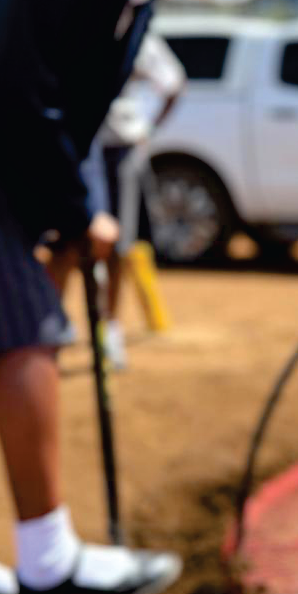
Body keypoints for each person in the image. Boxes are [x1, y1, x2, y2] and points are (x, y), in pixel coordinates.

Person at [0, 0, 269, 594]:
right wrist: (74, 209)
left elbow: (80, 106)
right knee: (25, 334)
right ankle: (47, 559)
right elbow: (13, 73)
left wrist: (82, 207)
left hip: (3, 157)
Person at [47, 33, 187, 369]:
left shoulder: (140, 35)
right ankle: (53, 322)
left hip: (120, 147)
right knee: (65, 242)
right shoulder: (68, 21)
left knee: (117, 245)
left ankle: (109, 328)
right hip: (75, 145)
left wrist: (147, 129)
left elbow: (174, 84)